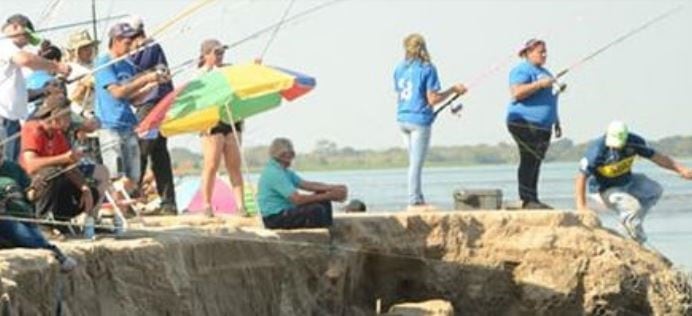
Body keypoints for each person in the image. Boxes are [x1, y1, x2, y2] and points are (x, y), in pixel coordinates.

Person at [575, 121, 692, 243]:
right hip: (604, 189)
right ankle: (636, 238)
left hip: (627, 181)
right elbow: (580, 178)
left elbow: (658, 158)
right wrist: (581, 206)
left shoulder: (635, 142)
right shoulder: (597, 150)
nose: (616, 147)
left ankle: (629, 225)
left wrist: (681, 169)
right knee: (633, 207)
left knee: (655, 190)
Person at [20, 93, 110, 239]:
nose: (70, 120)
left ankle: (62, 221)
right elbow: (31, 165)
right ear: (55, 116)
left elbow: (69, 166)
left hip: (55, 182)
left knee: (90, 190)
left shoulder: (58, 134)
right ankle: (43, 224)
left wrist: (84, 187)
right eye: (67, 115)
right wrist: (63, 158)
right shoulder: (33, 128)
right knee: (52, 172)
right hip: (34, 185)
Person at [393, 33, 466, 209]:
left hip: (402, 118)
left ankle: (417, 196)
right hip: (419, 121)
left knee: (412, 163)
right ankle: (414, 200)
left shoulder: (399, 68)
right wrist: (453, 90)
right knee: (416, 164)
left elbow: (399, 93)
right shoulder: (427, 68)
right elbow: (433, 99)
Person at [93, 23, 169, 189]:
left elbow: (133, 99)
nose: (131, 47)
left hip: (128, 123)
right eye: (128, 43)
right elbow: (118, 92)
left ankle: (123, 210)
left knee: (133, 177)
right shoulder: (103, 63)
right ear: (116, 40)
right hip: (110, 125)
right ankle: (113, 211)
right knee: (116, 175)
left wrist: (153, 84)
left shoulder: (128, 65)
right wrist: (146, 78)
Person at [0, 129, 77, 273]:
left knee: (23, 229)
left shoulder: (13, 168)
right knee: (10, 224)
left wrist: (36, 189)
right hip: (6, 222)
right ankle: (52, 251)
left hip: (26, 219)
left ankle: (34, 241)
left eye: (1, 147)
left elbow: (30, 196)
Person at [124, 16, 177, 215]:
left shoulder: (148, 47)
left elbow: (134, 67)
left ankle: (129, 201)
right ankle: (168, 203)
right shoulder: (148, 47)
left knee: (141, 150)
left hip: (152, 103)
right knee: (159, 152)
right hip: (156, 103)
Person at [1, 14, 71, 162]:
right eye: (26, 37)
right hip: (4, 119)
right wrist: (57, 66)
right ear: (15, 27)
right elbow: (25, 59)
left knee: (13, 164)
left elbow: (19, 94)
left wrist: (44, 91)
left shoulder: (9, 57)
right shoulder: (5, 44)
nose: (26, 43)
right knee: (7, 165)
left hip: (12, 120)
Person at [506, 38, 561, 210]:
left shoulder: (546, 72)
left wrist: (556, 120)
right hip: (524, 122)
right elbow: (517, 93)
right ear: (528, 53)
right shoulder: (522, 70)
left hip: (544, 125)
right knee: (529, 158)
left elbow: (550, 99)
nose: (544, 55)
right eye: (540, 52)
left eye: (545, 51)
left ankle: (533, 198)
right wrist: (539, 84)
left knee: (537, 160)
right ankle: (526, 199)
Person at [197, 38, 245, 216]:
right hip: (212, 122)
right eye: (216, 53)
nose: (220, 56)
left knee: (234, 165)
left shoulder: (229, 69)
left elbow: (242, 77)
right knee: (211, 164)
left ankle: (240, 206)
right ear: (206, 55)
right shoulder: (202, 75)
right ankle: (207, 204)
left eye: (221, 53)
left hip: (231, 119)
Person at [258, 138, 347, 229]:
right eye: (287, 155)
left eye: (291, 154)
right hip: (275, 217)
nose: (290, 158)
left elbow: (307, 185)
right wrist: (329, 196)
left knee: (322, 200)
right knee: (316, 210)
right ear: (280, 156)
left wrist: (333, 188)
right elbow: (297, 199)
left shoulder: (284, 171)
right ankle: (317, 236)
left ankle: (327, 229)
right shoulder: (274, 173)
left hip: (286, 210)